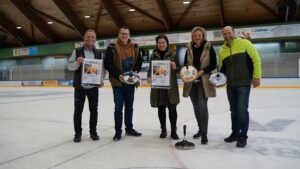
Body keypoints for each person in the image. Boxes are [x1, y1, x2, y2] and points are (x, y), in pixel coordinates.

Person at [219, 26, 262, 148]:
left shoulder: (244, 43)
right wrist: (219, 80)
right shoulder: (222, 50)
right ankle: (235, 133)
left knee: (242, 111)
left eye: (229, 33)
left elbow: (256, 59)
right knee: (233, 111)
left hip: (243, 83)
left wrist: (257, 76)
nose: (227, 35)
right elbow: (221, 69)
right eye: (224, 34)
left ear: (233, 33)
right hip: (231, 85)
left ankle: (243, 135)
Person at [104, 26, 143, 141]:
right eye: (122, 33)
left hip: (130, 82)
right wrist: (118, 75)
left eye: (126, 34)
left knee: (129, 107)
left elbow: (139, 63)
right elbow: (108, 64)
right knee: (118, 108)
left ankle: (129, 128)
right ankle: (118, 131)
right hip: (118, 83)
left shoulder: (135, 48)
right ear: (119, 35)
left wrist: (135, 71)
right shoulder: (111, 47)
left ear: (129, 35)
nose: (124, 35)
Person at [68, 29, 103, 142]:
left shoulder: (98, 53)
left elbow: (101, 69)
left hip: (93, 88)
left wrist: (101, 80)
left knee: (94, 110)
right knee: (78, 111)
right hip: (80, 87)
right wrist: (77, 62)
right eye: (88, 37)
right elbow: (69, 67)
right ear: (84, 38)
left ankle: (93, 132)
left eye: (92, 37)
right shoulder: (77, 51)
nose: (90, 39)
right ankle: (77, 133)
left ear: (95, 39)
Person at [183, 26, 217, 144]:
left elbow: (213, 64)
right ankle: (200, 129)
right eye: (195, 35)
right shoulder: (189, 48)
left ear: (203, 36)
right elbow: (185, 64)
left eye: (199, 35)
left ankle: (204, 133)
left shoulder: (208, 47)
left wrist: (203, 71)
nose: (197, 37)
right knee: (196, 107)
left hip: (204, 81)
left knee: (202, 106)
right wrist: (186, 73)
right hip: (192, 83)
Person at [147, 34, 180, 140]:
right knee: (161, 109)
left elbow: (180, 69)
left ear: (167, 43)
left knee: (172, 109)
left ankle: (174, 131)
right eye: (159, 43)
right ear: (157, 44)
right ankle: (163, 130)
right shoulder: (153, 55)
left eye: (163, 42)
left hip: (170, 87)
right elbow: (150, 69)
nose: (161, 44)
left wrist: (176, 67)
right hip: (159, 87)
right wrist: (149, 77)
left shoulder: (173, 54)